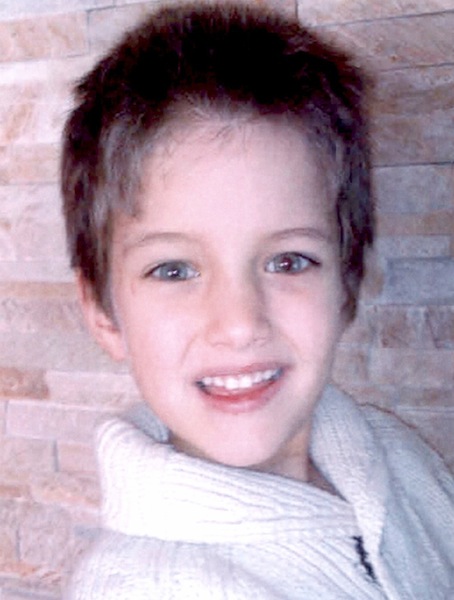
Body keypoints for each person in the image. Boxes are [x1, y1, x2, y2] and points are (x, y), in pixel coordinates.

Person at [61, 2, 454, 598]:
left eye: (288, 261)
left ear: (347, 281)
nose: (240, 323)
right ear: (102, 311)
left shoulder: (400, 459)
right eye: (173, 270)